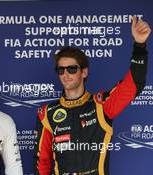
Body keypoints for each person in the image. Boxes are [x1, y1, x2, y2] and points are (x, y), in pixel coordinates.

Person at [34, 16, 151, 175]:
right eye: (61, 70)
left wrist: (139, 45)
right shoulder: (47, 113)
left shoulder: (102, 105)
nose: (65, 74)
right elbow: (43, 163)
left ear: (84, 72)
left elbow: (133, 85)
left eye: (72, 69)